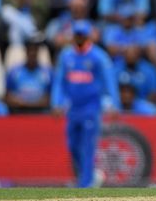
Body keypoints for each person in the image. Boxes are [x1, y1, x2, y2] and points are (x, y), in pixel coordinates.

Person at [51, 20, 120, 188]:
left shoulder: (98, 56)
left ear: (88, 36)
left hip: (91, 108)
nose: (80, 38)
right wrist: (56, 103)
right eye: (77, 35)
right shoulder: (66, 56)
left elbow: (109, 81)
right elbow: (59, 82)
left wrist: (114, 104)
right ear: (73, 36)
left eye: (83, 35)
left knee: (88, 147)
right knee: (73, 146)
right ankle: (88, 177)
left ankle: (85, 185)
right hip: (73, 109)